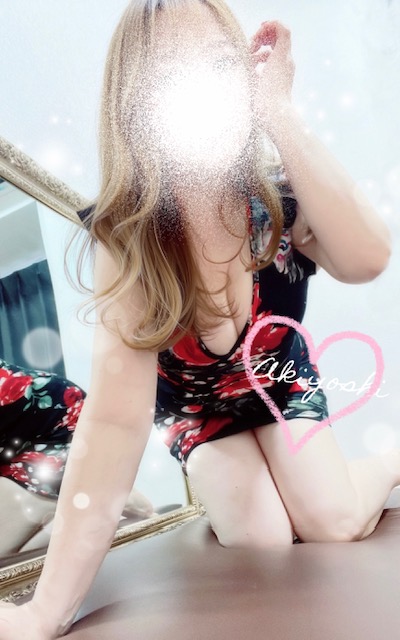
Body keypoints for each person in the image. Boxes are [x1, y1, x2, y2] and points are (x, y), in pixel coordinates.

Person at [0, 0, 394, 637]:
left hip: (279, 381)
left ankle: (391, 459)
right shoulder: (129, 234)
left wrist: (279, 113)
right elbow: (115, 421)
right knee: (262, 538)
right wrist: (44, 611)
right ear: (139, 104)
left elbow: (367, 257)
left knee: (334, 521)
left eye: (218, 65)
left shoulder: (275, 197)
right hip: (196, 412)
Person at [0, 358, 154, 556]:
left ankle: (98, 498)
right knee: (17, 556)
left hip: (61, 425)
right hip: (44, 426)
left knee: (8, 555)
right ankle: (94, 502)